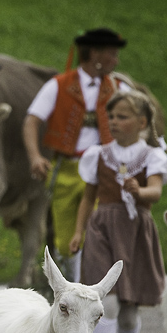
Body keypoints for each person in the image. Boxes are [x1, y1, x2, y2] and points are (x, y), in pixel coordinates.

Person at [68, 90, 167, 333]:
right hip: (102, 230)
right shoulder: (98, 154)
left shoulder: (153, 155)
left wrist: (139, 191)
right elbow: (88, 197)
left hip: (136, 230)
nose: (114, 122)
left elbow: (156, 192)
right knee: (106, 302)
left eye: (122, 117)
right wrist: (78, 232)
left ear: (141, 122)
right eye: (111, 116)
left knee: (128, 308)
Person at [24, 27, 132, 282]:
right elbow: (31, 120)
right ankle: (70, 283)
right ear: (94, 53)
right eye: (111, 55)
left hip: (103, 168)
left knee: (94, 230)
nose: (116, 61)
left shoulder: (119, 89)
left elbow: (141, 120)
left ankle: (90, 286)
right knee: (63, 238)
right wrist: (35, 157)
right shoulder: (59, 85)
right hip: (67, 167)